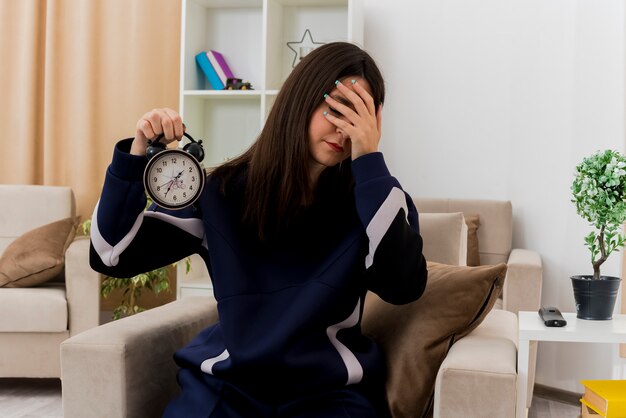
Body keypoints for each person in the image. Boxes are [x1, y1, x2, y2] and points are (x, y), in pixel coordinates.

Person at [90, 41, 428, 418]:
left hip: (328, 395)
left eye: (357, 116)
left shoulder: (377, 200)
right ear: (299, 100)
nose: (342, 129)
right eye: (334, 108)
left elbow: (403, 286)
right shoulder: (220, 193)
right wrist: (136, 157)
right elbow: (112, 254)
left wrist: (369, 162)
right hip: (227, 387)